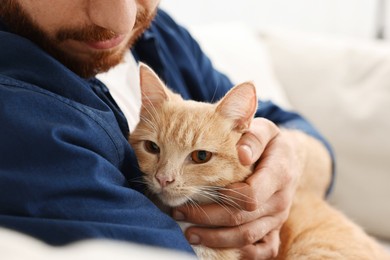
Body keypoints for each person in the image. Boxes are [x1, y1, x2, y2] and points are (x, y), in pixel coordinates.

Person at [0, 1, 334, 259]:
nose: (122, 21)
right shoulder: (19, 113)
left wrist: (290, 159)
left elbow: (300, 134)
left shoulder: (157, 32)